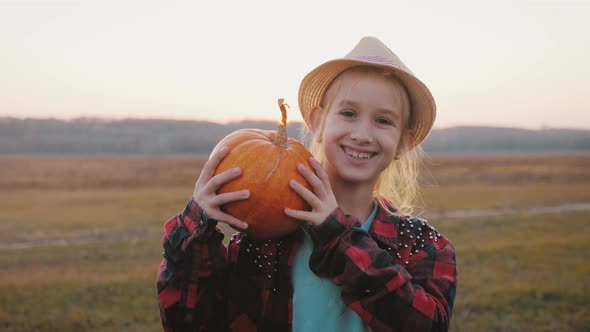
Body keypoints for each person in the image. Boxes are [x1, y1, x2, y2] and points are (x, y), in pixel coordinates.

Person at [156, 36, 458, 332]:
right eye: (349, 114)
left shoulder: (423, 245)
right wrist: (196, 230)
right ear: (317, 122)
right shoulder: (264, 237)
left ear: (403, 143)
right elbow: (188, 323)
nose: (363, 133)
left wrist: (338, 238)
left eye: (383, 121)